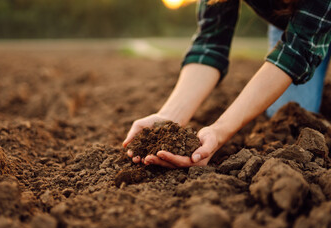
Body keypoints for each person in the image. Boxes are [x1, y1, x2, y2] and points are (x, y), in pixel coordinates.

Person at [123, 0, 331, 169]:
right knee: (290, 110)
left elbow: (297, 52)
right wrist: (169, 119)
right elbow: (210, 43)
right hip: (296, 20)